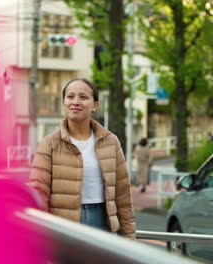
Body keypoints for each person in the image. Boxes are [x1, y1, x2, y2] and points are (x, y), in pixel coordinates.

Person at [28, 78, 136, 239]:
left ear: (95, 105)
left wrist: (129, 237)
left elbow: (122, 195)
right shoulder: (49, 143)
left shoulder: (110, 142)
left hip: (102, 222)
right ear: (64, 103)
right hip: (62, 226)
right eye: (70, 97)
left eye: (83, 97)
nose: (75, 102)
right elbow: (38, 191)